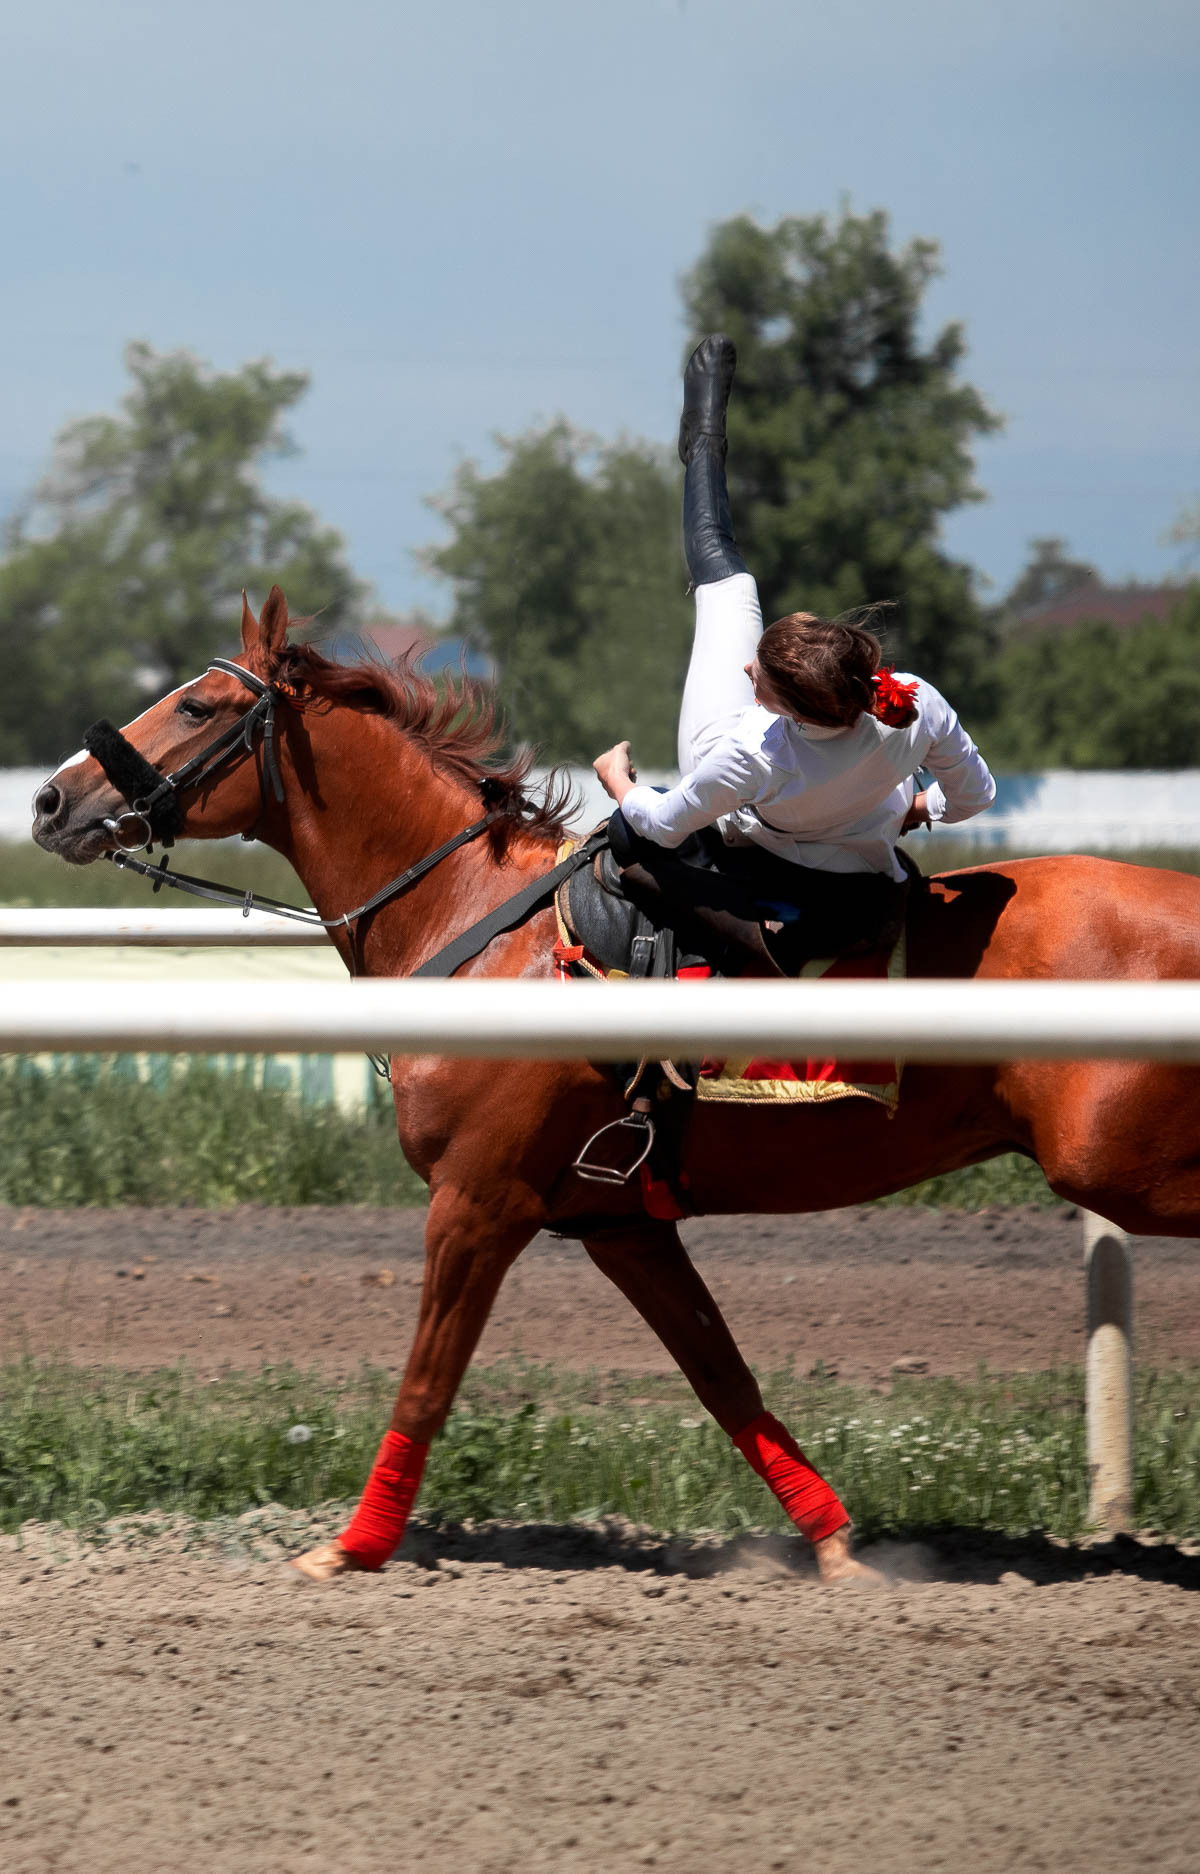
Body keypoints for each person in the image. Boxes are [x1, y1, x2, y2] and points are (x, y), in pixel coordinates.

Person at [592, 336, 996, 959]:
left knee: (731, 587)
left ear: (793, 709)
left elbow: (664, 823)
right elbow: (976, 797)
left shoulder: (750, 750)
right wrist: (917, 806)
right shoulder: (917, 701)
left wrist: (617, 781)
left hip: (757, 829)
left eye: (757, 679)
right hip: (861, 850)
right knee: (737, 592)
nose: (746, 665)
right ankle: (703, 440)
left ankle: (703, 443)